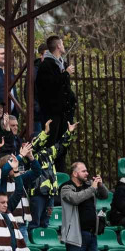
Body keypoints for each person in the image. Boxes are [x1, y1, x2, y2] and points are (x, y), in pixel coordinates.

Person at [59, 161, 108, 251]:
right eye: (83, 171)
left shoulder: (88, 185)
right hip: (76, 233)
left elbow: (104, 195)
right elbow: (75, 199)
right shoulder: (66, 187)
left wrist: (100, 185)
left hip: (91, 233)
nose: (87, 173)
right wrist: (92, 188)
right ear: (75, 174)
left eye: (86, 170)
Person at [35, 35, 77, 168]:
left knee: (63, 145)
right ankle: (50, 172)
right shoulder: (46, 65)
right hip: (52, 112)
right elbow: (50, 86)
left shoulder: (61, 63)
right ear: (58, 46)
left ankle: (61, 172)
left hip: (63, 112)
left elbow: (64, 88)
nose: (64, 46)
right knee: (51, 144)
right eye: (62, 44)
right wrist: (65, 74)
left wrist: (72, 99)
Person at [27, 120, 76, 231]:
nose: (42, 140)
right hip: (38, 193)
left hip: (50, 194)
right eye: (38, 139)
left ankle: (44, 240)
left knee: (46, 222)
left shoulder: (48, 153)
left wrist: (69, 132)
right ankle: (33, 243)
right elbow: (35, 145)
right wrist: (45, 132)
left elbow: (61, 145)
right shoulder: (30, 154)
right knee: (35, 222)